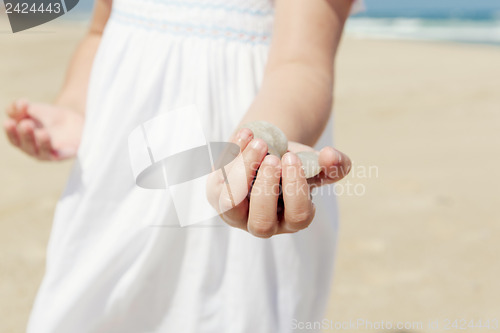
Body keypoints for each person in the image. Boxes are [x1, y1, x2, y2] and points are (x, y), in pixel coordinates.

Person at [4, 0, 362, 332]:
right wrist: (74, 109)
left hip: (231, 177)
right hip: (117, 178)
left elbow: (301, 63)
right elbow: (100, 31)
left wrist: (259, 149)